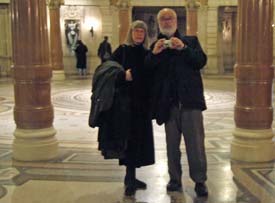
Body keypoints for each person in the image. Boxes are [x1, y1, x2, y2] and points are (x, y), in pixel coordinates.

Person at [145, 8, 208, 197]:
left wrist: (184, 49)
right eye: (162, 19)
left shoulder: (190, 41)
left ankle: (200, 181)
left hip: (190, 103)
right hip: (168, 106)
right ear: (158, 23)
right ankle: (174, 179)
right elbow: (148, 70)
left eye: (169, 18)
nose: (166, 21)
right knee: (171, 146)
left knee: (195, 145)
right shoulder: (156, 45)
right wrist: (154, 55)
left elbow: (201, 61)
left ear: (176, 21)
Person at [110, 20, 155, 196]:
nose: (139, 34)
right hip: (126, 105)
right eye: (136, 31)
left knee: (139, 142)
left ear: (145, 35)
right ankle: (129, 179)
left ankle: (133, 177)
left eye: (142, 32)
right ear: (131, 33)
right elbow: (107, 69)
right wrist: (122, 76)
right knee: (128, 141)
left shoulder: (147, 53)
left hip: (142, 105)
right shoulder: (122, 51)